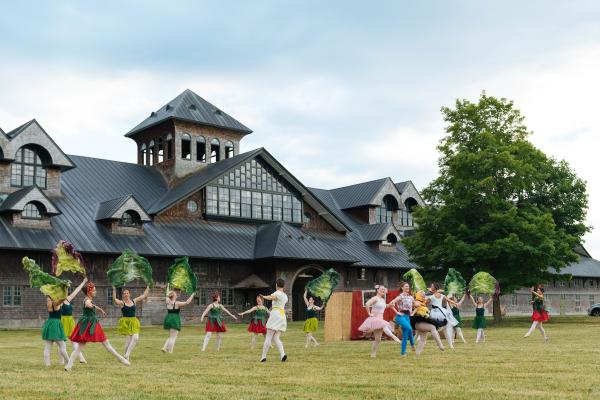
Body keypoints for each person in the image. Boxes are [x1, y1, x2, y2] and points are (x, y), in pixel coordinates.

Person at [65, 282, 129, 370]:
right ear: (89, 292)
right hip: (90, 324)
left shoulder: (88, 299)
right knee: (103, 344)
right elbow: (88, 304)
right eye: (94, 290)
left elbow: (92, 305)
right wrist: (90, 305)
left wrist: (100, 309)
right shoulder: (87, 300)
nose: (96, 292)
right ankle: (121, 359)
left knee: (82, 347)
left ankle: (68, 366)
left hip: (89, 323)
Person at [358, 285, 401, 358]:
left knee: (378, 339)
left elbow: (384, 306)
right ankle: (394, 337)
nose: (383, 290)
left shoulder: (382, 300)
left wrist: (389, 305)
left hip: (380, 319)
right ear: (377, 290)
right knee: (384, 325)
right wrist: (369, 313)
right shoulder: (375, 298)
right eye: (381, 289)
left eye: (384, 290)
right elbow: (367, 304)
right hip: (375, 319)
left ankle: (373, 354)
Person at [112, 286, 150, 360]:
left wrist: (148, 287)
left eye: (127, 293)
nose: (126, 294)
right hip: (126, 322)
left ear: (129, 294)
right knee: (128, 341)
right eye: (124, 293)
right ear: (123, 295)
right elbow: (115, 300)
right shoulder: (122, 303)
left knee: (135, 338)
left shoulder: (134, 301)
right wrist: (114, 289)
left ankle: (127, 354)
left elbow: (144, 296)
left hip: (134, 321)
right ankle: (126, 357)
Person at [59, 278, 88, 365]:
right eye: (65, 290)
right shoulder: (59, 301)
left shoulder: (68, 299)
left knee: (74, 340)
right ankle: (61, 361)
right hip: (63, 321)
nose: (66, 292)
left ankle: (81, 358)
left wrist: (83, 282)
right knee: (61, 342)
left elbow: (76, 290)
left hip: (70, 321)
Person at [259, 278, 288, 362]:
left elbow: (273, 297)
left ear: (276, 285)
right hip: (282, 315)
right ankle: (282, 354)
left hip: (276, 314)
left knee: (268, 336)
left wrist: (263, 296)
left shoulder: (277, 293)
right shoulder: (285, 295)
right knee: (276, 337)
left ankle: (263, 357)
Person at [410, 289, 445, 354]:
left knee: (423, 339)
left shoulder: (423, 303)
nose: (424, 296)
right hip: (418, 323)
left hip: (423, 323)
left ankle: (417, 353)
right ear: (419, 295)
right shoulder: (417, 302)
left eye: (424, 295)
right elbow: (416, 304)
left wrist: (436, 292)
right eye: (422, 295)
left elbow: (431, 297)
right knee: (432, 327)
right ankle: (439, 344)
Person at [427, 282, 459, 349]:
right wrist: (455, 303)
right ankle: (450, 345)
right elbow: (449, 300)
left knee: (435, 329)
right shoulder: (441, 295)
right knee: (445, 330)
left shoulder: (431, 297)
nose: (430, 286)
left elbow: (424, 303)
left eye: (431, 286)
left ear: (434, 288)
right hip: (443, 312)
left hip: (435, 313)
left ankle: (439, 344)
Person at [388, 281, 416, 356]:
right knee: (409, 328)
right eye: (406, 286)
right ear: (402, 288)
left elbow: (416, 306)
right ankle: (413, 345)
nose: (407, 287)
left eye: (408, 286)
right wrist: (396, 312)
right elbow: (391, 303)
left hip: (407, 317)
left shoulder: (411, 297)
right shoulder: (400, 296)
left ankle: (403, 352)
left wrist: (413, 312)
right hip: (400, 317)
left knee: (406, 335)